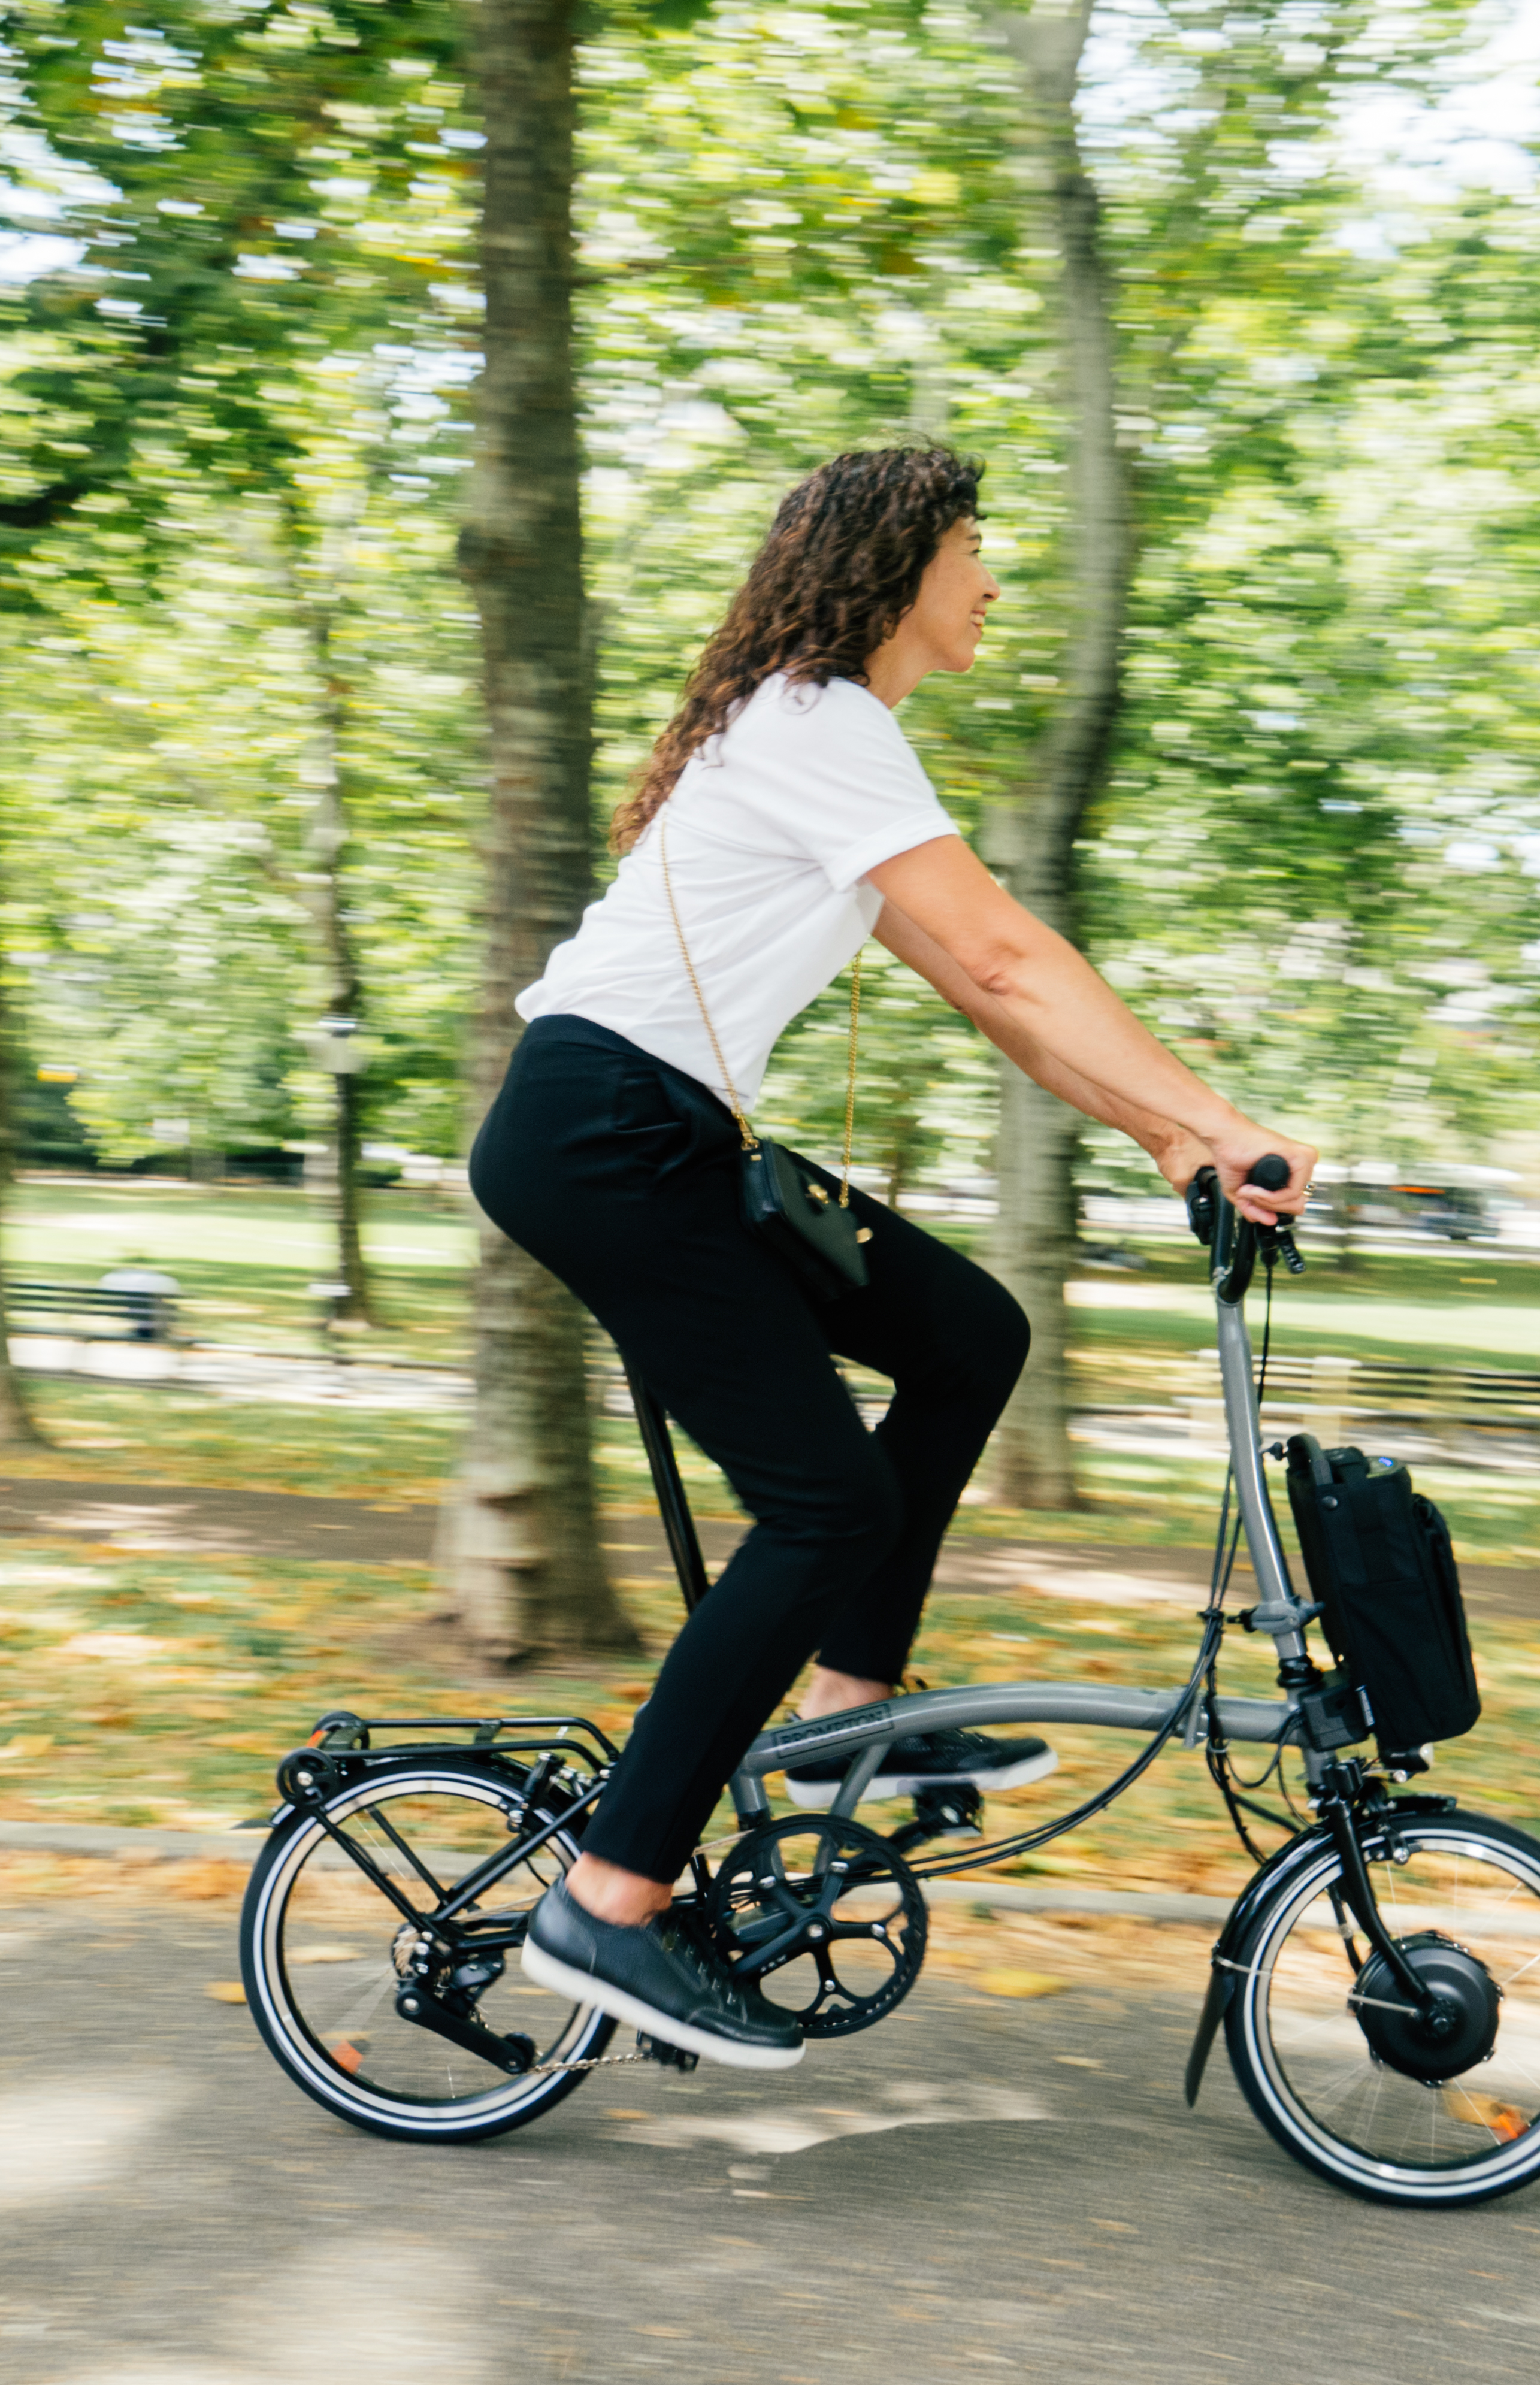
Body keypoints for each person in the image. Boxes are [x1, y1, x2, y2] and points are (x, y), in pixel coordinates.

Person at [472, 444, 1318, 2069]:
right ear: (898, 567)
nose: (992, 581)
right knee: (824, 1503)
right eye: (974, 550)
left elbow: (981, 984)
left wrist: (1160, 1136)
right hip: (605, 1131)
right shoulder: (818, 719)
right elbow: (1009, 948)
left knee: (967, 1336)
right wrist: (1219, 1115)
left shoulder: (825, 741)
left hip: (663, 1134)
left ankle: (839, 1730)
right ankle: (608, 1898)